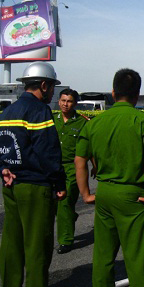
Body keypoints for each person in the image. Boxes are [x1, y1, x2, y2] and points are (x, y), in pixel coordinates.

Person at [75, 69, 144, 287]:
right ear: (137, 95)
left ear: (113, 92)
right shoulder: (142, 121)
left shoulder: (93, 123)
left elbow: (80, 161)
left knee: (103, 257)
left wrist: (86, 194)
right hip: (133, 196)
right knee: (137, 258)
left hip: (104, 193)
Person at [0, 62, 67, 287]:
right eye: (52, 88)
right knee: (37, 244)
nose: (52, 93)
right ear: (44, 85)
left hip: (10, 185)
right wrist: (59, 183)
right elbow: (48, 152)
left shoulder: (7, 112)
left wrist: (1, 168)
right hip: (35, 187)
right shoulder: (39, 111)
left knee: (12, 243)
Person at [54, 88, 89, 254]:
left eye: (69, 101)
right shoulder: (52, 120)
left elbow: (90, 147)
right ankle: (69, 217)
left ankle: (65, 240)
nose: (65, 104)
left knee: (65, 201)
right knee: (54, 203)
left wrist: (95, 165)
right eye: (63, 100)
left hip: (72, 168)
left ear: (74, 103)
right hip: (52, 167)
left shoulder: (82, 123)